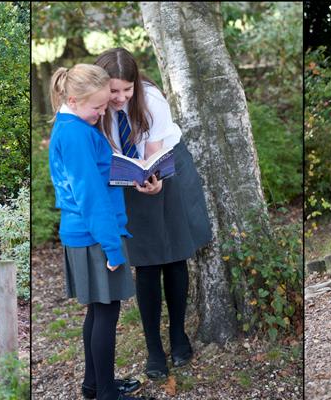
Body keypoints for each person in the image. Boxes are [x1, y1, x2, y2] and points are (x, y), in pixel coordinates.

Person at [95, 47, 214, 380]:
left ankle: (178, 336)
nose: (120, 98)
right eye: (113, 90)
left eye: (126, 90)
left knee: (175, 256)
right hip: (126, 179)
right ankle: (153, 350)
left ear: (135, 83)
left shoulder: (151, 99)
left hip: (164, 169)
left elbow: (153, 151)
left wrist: (155, 179)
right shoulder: (96, 107)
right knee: (146, 263)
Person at [48, 64, 148, 400]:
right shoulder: (75, 133)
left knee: (99, 310)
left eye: (105, 106)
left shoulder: (72, 125)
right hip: (95, 236)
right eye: (98, 107)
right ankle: (106, 393)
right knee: (106, 313)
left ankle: (94, 385)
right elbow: (89, 196)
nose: (103, 112)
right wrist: (113, 248)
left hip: (90, 234)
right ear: (74, 100)